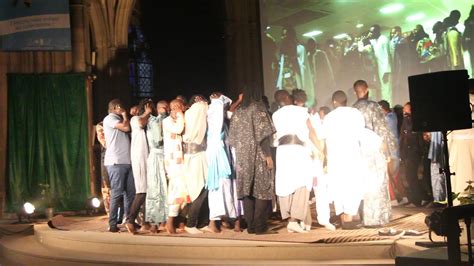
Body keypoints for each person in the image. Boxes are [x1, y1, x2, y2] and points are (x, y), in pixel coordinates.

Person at [229, 86, 276, 235]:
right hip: (258, 155)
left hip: (242, 158)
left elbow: (233, 139)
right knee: (262, 189)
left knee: (247, 190)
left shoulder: (238, 113)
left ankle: (250, 225)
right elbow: (263, 136)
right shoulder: (258, 109)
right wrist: (268, 156)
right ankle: (260, 226)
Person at [272, 90, 320, 233]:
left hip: (282, 151)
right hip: (297, 150)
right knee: (302, 182)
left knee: (285, 183)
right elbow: (311, 131)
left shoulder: (275, 114)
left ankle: (291, 219)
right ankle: (293, 220)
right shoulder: (299, 111)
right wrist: (320, 148)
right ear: (287, 97)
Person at [319, 90, 365, 229]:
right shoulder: (355, 113)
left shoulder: (329, 117)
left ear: (334, 102)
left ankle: (344, 217)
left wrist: (324, 157)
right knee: (352, 185)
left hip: (336, 157)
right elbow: (361, 132)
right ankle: (349, 217)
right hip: (353, 154)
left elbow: (323, 138)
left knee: (339, 186)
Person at [353, 80, 393, 226]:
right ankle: (378, 217)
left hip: (359, 151)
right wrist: (387, 150)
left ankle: (365, 217)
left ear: (355, 91)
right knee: (378, 182)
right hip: (374, 149)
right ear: (367, 89)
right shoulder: (373, 106)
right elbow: (382, 129)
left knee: (364, 184)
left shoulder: (353, 109)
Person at [206, 92, 239, 232]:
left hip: (224, 155)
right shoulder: (214, 112)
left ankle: (224, 218)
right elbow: (219, 116)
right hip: (217, 157)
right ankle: (213, 222)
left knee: (226, 187)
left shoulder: (223, 120)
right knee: (218, 187)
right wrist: (218, 103)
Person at [103, 99, 135, 233]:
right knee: (117, 193)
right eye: (122, 107)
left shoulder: (118, 119)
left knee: (130, 193)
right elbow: (126, 127)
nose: (124, 109)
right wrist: (125, 115)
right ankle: (112, 224)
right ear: (116, 107)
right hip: (115, 162)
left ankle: (128, 221)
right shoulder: (109, 119)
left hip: (126, 160)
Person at [183, 96, 210, 234]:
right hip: (194, 156)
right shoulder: (197, 109)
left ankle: (203, 222)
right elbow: (205, 106)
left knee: (205, 187)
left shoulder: (192, 112)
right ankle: (191, 223)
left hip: (199, 154)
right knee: (199, 189)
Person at [125, 99, 153, 234]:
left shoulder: (147, 122)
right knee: (141, 191)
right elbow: (141, 122)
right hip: (139, 158)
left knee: (147, 191)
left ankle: (146, 222)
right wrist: (147, 113)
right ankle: (130, 220)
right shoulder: (135, 119)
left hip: (146, 158)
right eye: (150, 108)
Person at [163, 99, 190, 234]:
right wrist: (180, 115)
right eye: (174, 107)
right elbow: (179, 129)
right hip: (173, 162)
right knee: (176, 191)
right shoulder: (167, 121)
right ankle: (170, 221)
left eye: (179, 107)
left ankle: (180, 220)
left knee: (185, 191)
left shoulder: (179, 120)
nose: (177, 109)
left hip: (180, 161)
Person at [144, 100, 169, 233]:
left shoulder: (164, 119)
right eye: (165, 108)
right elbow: (158, 138)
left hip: (165, 156)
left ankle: (164, 220)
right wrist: (163, 117)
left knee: (165, 190)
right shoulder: (154, 120)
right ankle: (153, 221)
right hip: (156, 157)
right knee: (155, 190)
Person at [358, 25, 392, 103]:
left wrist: (387, 71)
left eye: (372, 31)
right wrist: (365, 38)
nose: (371, 33)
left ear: (377, 31)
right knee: (383, 89)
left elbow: (388, 56)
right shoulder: (375, 41)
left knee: (386, 89)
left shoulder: (384, 40)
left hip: (385, 69)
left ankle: (389, 107)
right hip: (380, 68)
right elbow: (362, 48)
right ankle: (385, 106)